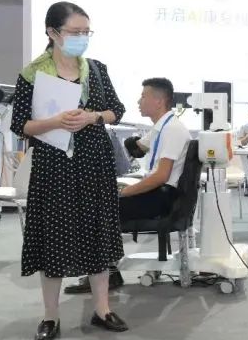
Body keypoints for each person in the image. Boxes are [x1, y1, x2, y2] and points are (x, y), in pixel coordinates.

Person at [10, 1, 128, 340]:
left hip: (94, 164)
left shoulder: (97, 70)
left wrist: (93, 117)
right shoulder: (33, 75)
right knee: (54, 238)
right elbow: (20, 125)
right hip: (53, 166)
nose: (82, 38)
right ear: (52, 32)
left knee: (97, 235)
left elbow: (116, 110)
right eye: (75, 32)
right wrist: (55, 122)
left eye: (86, 32)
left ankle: (102, 309)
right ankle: (51, 316)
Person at [65, 77, 191, 294]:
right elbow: (139, 147)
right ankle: (107, 269)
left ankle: (105, 273)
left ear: (159, 101)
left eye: (143, 96)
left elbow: (161, 176)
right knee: (98, 198)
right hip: (159, 192)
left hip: (163, 197)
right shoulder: (162, 126)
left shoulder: (172, 129)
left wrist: (125, 191)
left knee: (96, 209)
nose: (139, 101)